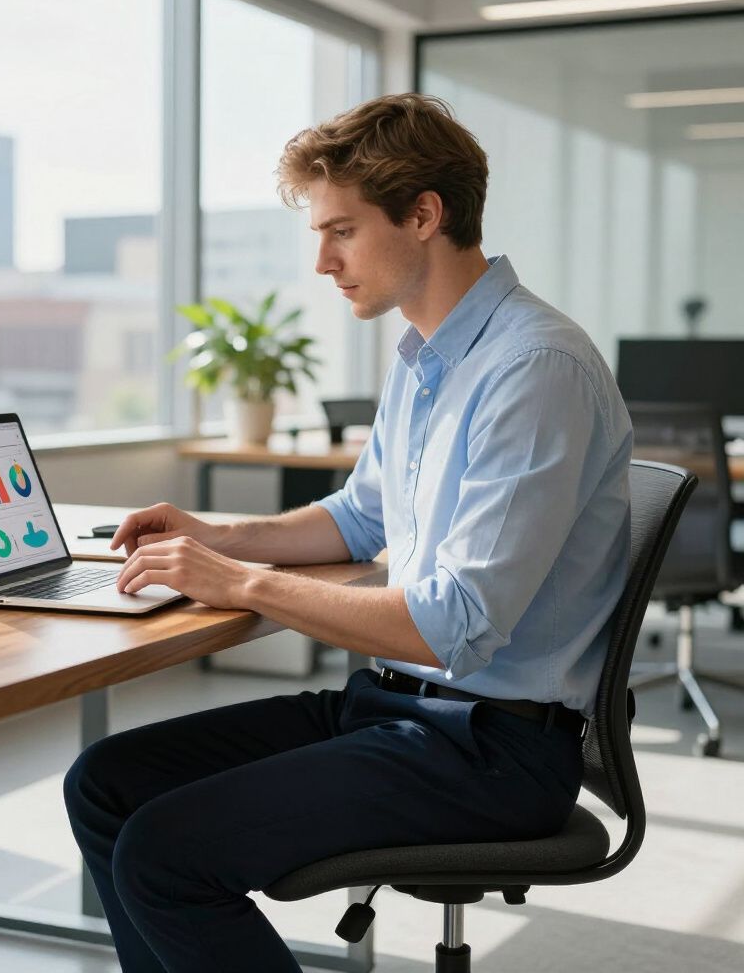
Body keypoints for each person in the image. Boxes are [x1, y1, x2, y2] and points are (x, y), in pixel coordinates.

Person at [63, 93, 633, 973]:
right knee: (104, 783)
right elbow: (360, 517)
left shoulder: (535, 367)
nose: (323, 262)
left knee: (163, 856)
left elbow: (455, 625)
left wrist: (239, 584)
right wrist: (218, 534)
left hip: (493, 748)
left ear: (423, 215)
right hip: (405, 710)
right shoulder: (426, 353)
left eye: (341, 231)